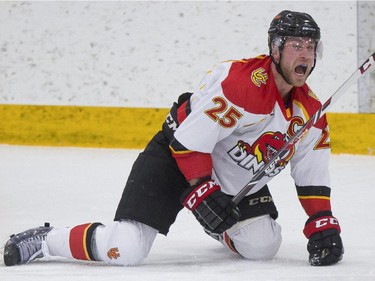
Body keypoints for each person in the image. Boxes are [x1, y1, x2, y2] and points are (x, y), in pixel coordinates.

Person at [3, 10, 344, 267]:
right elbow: (188, 141)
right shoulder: (242, 86)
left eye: (311, 47)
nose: (304, 54)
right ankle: (48, 240)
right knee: (125, 249)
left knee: (262, 246)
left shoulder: (310, 113)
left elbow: (311, 176)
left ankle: (218, 227)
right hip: (175, 157)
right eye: (296, 46)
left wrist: (320, 222)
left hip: (230, 176)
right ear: (275, 48)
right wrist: (202, 191)